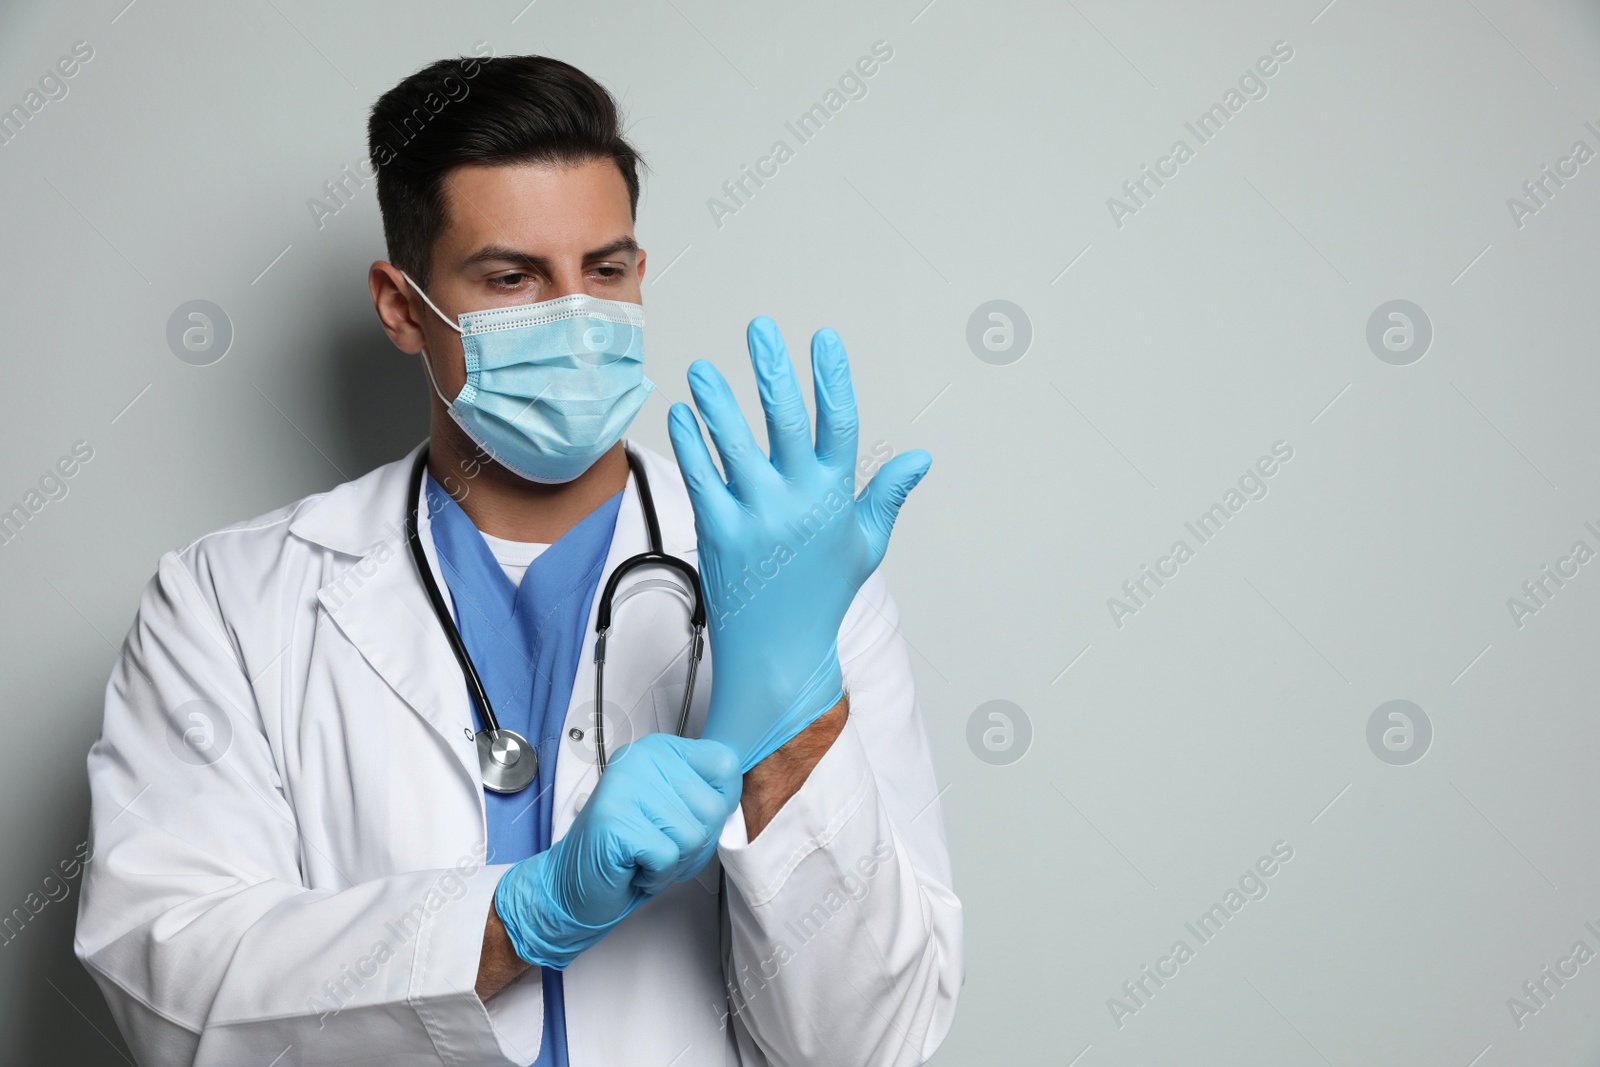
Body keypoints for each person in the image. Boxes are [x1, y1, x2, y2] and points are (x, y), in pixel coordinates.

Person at [74, 53, 962, 1066]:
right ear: (403, 306)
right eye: (513, 278)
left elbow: (869, 1047)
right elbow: (174, 989)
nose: (577, 320)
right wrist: (518, 916)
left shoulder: (800, 589)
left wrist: (793, 738)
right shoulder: (228, 606)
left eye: (608, 269)